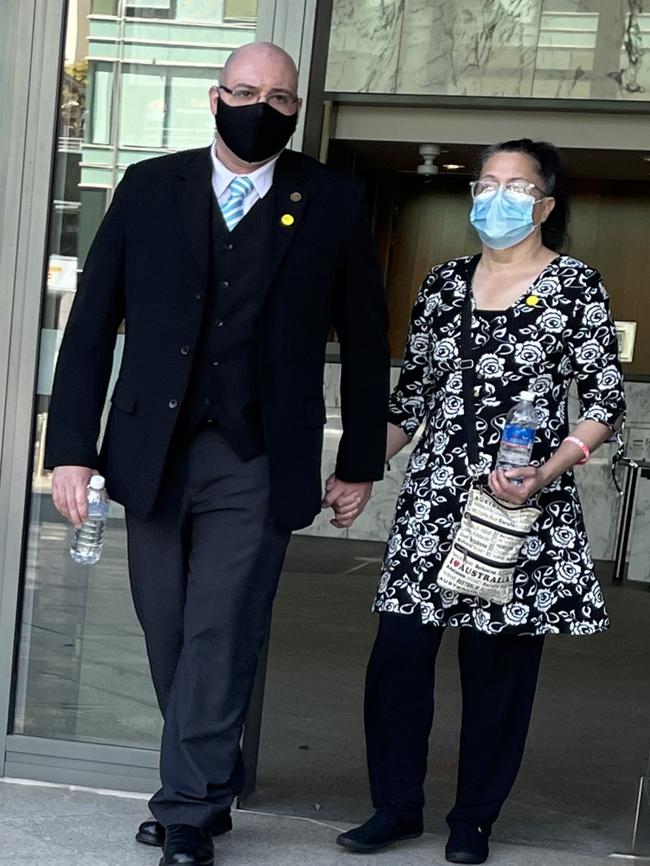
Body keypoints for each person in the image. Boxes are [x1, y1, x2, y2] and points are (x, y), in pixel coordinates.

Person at [45, 42, 389, 866]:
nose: (259, 107)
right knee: (167, 630)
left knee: (219, 630)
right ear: (213, 96)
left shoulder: (334, 199)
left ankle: (189, 810)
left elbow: (369, 341)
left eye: (278, 98)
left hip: (258, 455)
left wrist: (361, 460)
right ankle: (211, 773)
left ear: (296, 109)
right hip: (151, 450)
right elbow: (93, 326)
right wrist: (70, 450)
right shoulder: (149, 187)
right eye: (244, 91)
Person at [336, 139, 626, 864]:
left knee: (497, 671)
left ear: (546, 205)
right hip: (434, 501)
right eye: (486, 184)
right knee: (398, 657)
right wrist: (361, 466)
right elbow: (413, 398)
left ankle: (473, 820)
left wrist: (552, 467)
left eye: (516, 187)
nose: (498, 198)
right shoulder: (442, 284)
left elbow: (603, 403)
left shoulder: (574, 287)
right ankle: (395, 806)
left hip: (520, 505)